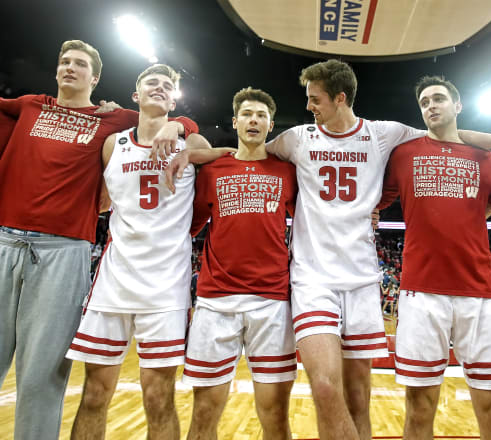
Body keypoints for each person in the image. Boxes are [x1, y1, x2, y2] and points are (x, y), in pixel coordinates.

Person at [168, 59, 491, 440]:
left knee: (358, 397)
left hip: (361, 282)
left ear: (340, 98)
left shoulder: (384, 134)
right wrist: (195, 151)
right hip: (312, 280)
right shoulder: (297, 138)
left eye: (315, 99)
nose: (308, 106)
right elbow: (248, 151)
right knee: (324, 388)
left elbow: (444, 133)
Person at [0, 40, 197, 440]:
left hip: (73, 253)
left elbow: (178, 129)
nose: (69, 68)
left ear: (96, 78)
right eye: (64, 62)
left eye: (80, 64)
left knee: (46, 376)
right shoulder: (30, 108)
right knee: (86, 391)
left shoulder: (123, 125)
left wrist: (180, 125)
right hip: (23, 246)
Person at [377, 75, 491, 440]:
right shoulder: (404, 153)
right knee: (419, 407)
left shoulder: (484, 159)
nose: (431, 105)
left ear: (457, 106)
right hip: (420, 293)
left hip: (479, 294)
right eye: (425, 101)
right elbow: (372, 201)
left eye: (439, 98)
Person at [64, 64, 199, 440]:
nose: (159, 88)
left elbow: (216, 149)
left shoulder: (191, 144)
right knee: (94, 394)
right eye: (151, 84)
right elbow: (101, 200)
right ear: (136, 96)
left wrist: (182, 126)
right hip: (113, 285)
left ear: (174, 100)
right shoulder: (113, 144)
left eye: (167, 86)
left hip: (164, 290)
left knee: (159, 397)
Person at [182, 87, 298, 440]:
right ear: (235, 122)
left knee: (275, 414)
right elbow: (189, 225)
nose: (254, 120)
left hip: (272, 301)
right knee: (204, 413)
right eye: (247, 114)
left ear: (270, 125)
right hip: (216, 300)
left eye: (261, 115)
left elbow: (320, 218)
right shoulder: (213, 170)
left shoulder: (288, 172)